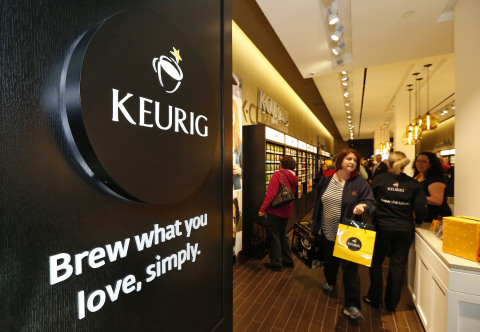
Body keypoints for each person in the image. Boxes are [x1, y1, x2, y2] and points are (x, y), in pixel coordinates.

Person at [312, 148, 375, 320]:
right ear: (340, 160)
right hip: (328, 230)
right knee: (330, 261)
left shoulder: (359, 182)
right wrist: (315, 223)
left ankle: (352, 305)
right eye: (349, 159)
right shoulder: (326, 178)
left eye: (355, 160)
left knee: (350, 269)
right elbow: (318, 202)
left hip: (349, 232)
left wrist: (364, 206)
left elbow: (371, 202)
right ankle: (330, 281)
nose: (352, 162)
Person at [364, 151, 427, 312]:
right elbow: (420, 209)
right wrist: (418, 221)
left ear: (388, 164)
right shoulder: (414, 184)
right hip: (405, 228)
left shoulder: (379, 180)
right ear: (405, 164)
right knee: (398, 265)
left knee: (375, 262)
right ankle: (392, 304)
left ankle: (375, 298)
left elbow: (371, 203)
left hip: (382, 227)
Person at [259, 155, 298, 271]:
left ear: (282, 165)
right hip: (287, 211)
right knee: (283, 234)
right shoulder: (293, 177)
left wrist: (262, 209)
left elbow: (271, 194)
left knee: (275, 235)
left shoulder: (278, 175)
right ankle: (288, 260)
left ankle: (276, 262)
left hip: (276, 211)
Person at [412, 152, 452, 223]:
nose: (419, 163)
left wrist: (412, 196)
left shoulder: (436, 179)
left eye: (424, 161)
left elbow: (437, 201)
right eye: (418, 160)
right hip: (424, 216)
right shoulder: (418, 176)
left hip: (436, 217)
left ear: (432, 164)